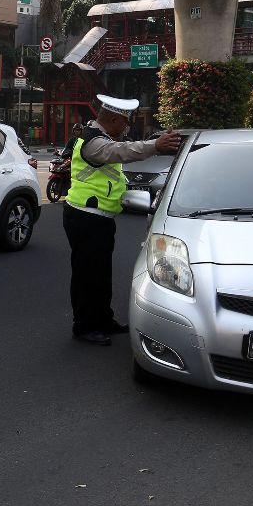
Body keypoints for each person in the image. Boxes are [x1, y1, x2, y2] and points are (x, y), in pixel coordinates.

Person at [64, 94, 182, 346]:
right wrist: (155, 146)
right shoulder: (93, 142)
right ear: (114, 120)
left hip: (99, 218)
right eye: (124, 123)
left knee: (101, 274)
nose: (125, 128)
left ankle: (103, 319)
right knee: (87, 275)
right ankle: (84, 326)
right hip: (85, 217)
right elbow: (123, 152)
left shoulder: (101, 136)